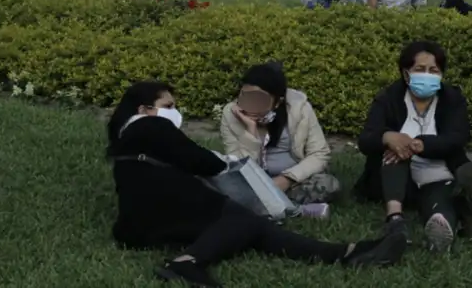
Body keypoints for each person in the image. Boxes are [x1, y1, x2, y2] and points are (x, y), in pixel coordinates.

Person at [107, 81, 407, 287]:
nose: (174, 111)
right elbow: (202, 162)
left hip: (140, 225)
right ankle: (186, 262)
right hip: (163, 214)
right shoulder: (151, 124)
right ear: (144, 109)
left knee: (252, 229)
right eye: (168, 104)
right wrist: (221, 161)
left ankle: (344, 252)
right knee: (244, 221)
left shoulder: (128, 137)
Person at [354, 41, 472, 252]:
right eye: (420, 69)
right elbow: (366, 139)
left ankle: (441, 227)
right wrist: (387, 136)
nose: (427, 75)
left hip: (438, 175)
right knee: (395, 150)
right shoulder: (388, 98)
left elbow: (458, 137)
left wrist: (419, 144)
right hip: (395, 177)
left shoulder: (452, 99)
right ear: (406, 73)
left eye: (433, 70)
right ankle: (395, 218)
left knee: (439, 199)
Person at [219, 63, 339, 216]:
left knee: (327, 184)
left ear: (277, 102)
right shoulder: (230, 114)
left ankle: (268, 205)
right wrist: (250, 131)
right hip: (254, 183)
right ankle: (295, 209)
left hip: (293, 181)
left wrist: (286, 179)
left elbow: (319, 154)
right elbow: (238, 166)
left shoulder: (299, 108)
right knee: (221, 186)